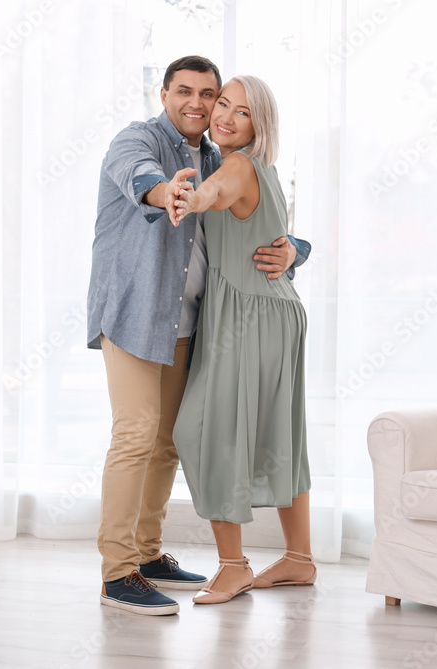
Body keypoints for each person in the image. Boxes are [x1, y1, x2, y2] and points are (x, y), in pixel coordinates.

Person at [87, 56, 311, 616]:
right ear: (163, 93)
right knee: (137, 435)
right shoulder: (136, 140)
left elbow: (254, 216)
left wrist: (295, 249)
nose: (199, 103)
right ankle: (119, 573)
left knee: (170, 442)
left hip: (194, 326)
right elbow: (144, 179)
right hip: (137, 319)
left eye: (209, 94)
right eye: (184, 91)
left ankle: (149, 551)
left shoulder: (219, 155)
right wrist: (169, 196)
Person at [169, 75, 315, 605]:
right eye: (222, 104)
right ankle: (299, 558)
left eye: (243, 112)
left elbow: (217, 192)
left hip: (248, 316)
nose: (226, 116)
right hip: (274, 311)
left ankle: (233, 566)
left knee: (208, 430)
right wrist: (298, 249)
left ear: (260, 125)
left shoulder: (238, 165)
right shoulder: (264, 169)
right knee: (279, 433)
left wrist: (191, 197)